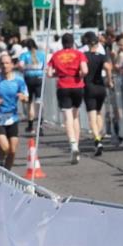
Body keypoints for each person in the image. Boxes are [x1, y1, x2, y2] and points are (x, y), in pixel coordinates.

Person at [47, 32, 88, 163]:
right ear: (72, 42)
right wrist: (79, 74)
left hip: (63, 85)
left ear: (62, 43)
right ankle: (76, 145)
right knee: (76, 116)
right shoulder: (79, 54)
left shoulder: (56, 55)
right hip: (77, 85)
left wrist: (58, 74)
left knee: (67, 117)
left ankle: (73, 144)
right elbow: (85, 70)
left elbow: (48, 73)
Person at [82, 32, 113, 156]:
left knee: (92, 116)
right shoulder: (102, 56)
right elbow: (108, 67)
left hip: (89, 87)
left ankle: (97, 140)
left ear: (88, 44)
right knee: (99, 113)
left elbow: (82, 71)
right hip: (100, 86)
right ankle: (99, 136)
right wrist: (109, 80)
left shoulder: (84, 56)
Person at [19, 39, 46, 133]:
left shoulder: (24, 55)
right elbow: (45, 66)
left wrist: (24, 70)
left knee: (30, 102)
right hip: (39, 77)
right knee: (39, 102)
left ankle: (30, 126)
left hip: (28, 78)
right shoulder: (42, 54)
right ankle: (40, 125)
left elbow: (21, 65)